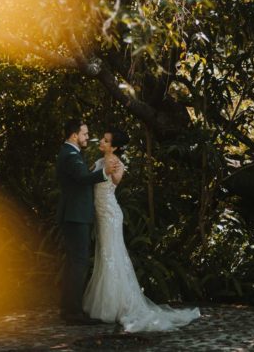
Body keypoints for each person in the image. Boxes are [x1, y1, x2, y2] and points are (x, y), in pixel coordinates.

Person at [83, 129, 200, 332]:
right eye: (102, 138)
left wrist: (113, 166)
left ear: (114, 146)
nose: (101, 141)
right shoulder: (99, 162)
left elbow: (117, 180)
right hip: (100, 214)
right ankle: (107, 302)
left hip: (111, 214)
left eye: (106, 140)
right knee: (104, 255)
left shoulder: (117, 163)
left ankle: (117, 305)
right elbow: (88, 178)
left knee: (112, 255)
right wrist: (102, 166)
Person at [56, 119, 121, 325]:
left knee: (72, 263)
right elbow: (83, 178)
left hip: (75, 215)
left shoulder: (71, 154)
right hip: (76, 216)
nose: (88, 137)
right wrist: (104, 173)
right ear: (75, 135)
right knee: (78, 263)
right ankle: (73, 313)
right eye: (85, 134)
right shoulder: (70, 155)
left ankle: (68, 309)